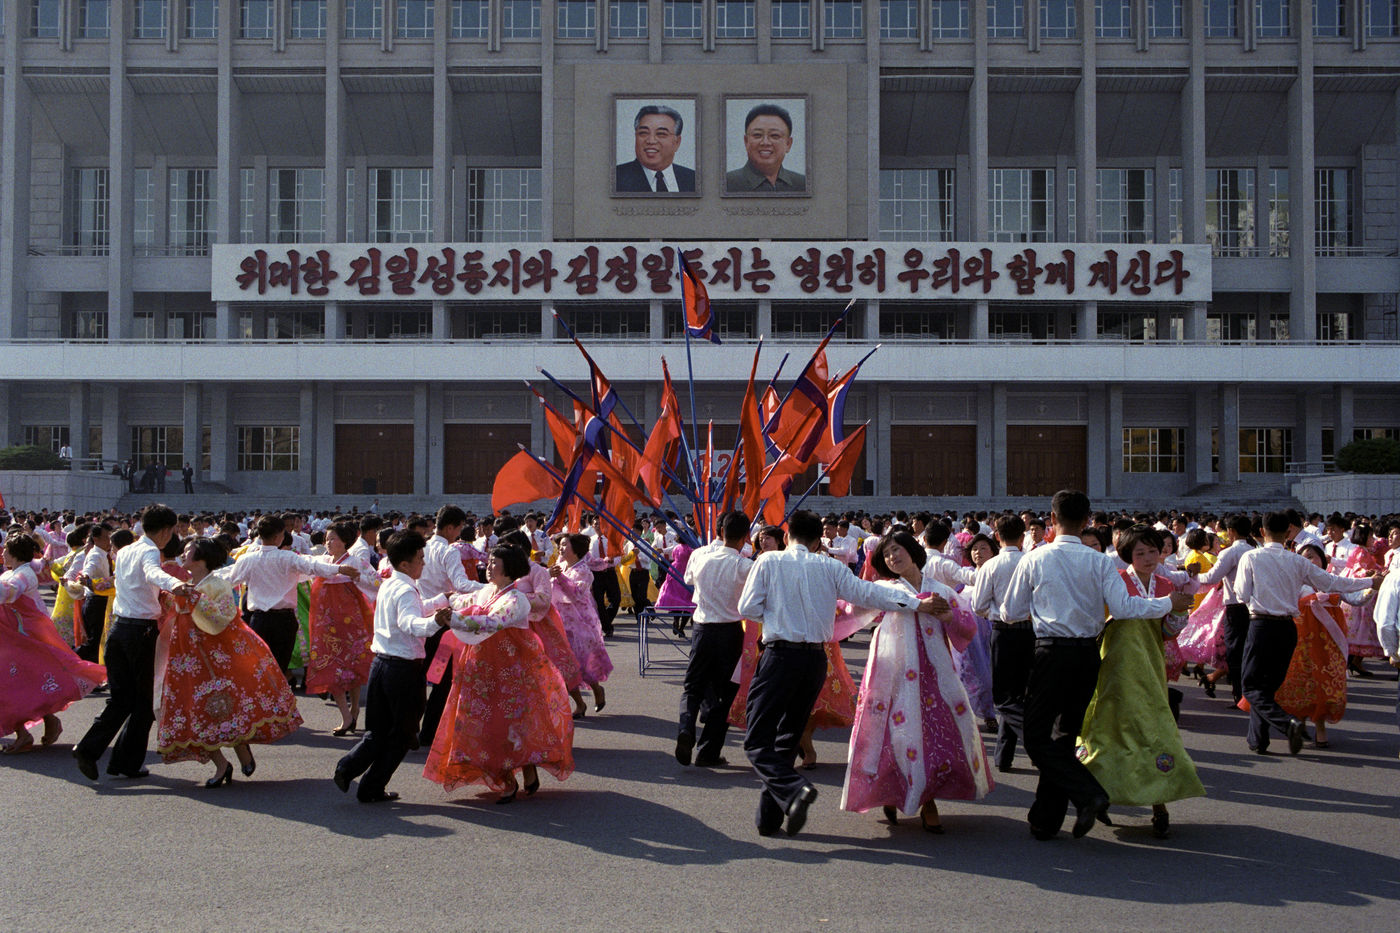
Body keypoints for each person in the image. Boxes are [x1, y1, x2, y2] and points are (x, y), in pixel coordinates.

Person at [735, 510, 950, 838]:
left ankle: (792, 787)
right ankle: (771, 817)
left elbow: (747, 608)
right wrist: (915, 602)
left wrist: (779, 611)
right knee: (788, 737)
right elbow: (870, 593)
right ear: (817, 541)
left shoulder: (768, 562)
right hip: (814, 660)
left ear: (788, 536)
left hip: (780, 656)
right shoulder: (831, 567)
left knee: (757, 739)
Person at [1001, 491, 1192, 841]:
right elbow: (1124, 608)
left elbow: (1010, 612)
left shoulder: (1036, 558)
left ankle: (1087, 794)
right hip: (1088, 654)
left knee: (1037, 736)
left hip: (1051, 651)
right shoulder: (1100, 561)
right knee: (1063, 736)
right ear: (1087, 520)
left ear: (1052, 520)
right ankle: (1045, 820)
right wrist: (1168, 602)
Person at [839, 531, 992, 832]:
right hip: (891, 673)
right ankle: (892, 790)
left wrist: (948, 617)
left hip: (934, 676)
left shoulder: (941, 591)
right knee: (894, 733)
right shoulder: (884, 589)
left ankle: (927, 799)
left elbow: (967, 626)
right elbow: (851, 608)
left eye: (897, 550)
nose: (892, 557)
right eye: (886, 554)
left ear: (912, 551)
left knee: (933, 734)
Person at [1077, 525, 1205, 840]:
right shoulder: (1116, 580)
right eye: (1140, 553)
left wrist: (1179, 612)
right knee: (1111, 728)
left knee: (1153, 727)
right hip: (1116, 665)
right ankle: (1101, 793)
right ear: (1127, 555)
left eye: (1153, 551)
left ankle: (1159, 803)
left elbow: (1169, 632)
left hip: (1149, 664)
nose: (1148, 558)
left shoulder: (1166, 584)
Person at [424, 545, 575, 803]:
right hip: (480, 669)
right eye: (490, 561)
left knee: (506, 723)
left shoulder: (517, 600)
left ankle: (510, 777)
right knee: (482, 721)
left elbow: (493, 622)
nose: (489, 566)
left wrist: (455, 620)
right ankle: (519, 771)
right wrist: (440, 604)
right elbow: (461, 600)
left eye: (495, 562)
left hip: (510, 672)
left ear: (510, 567)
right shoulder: (486, 591)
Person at [155, 537, 302, 786]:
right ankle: (222, 764)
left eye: (189, 550)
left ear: (202, 557)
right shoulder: (185, 585)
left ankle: (240, 749)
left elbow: (224, 617)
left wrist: (195, 599)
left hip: (214, 657)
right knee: (192, 709)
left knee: (224, 705)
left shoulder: (217, 584)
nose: (183, 553)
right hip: (186, 658)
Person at [1235, 511, 1374, 755]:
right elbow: (1332, 582)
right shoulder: (1297, 561)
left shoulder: (1252, 557)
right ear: (1288, 532)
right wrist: (1369, 582)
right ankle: (1258, 739)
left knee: (1252, 686)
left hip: (1262, 625)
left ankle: (1288, 724)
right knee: (1267, 688)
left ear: (1262, 532)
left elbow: (1242, 594)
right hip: (1288, 628)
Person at [74, 505, 194, 781]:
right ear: (165, 531)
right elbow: (153, 573)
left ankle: (89, 749)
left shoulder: (125, 550)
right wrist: (174, 585)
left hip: (119, 629)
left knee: (122, 698)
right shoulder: (150, 551)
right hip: (141, 632)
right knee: (144, 702)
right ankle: (125, 762)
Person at [333, 531, 454, 804]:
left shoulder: (390, 584)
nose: (424, 563)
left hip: (381, 665)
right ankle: (369, 784)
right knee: (403, 734)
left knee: (378, 730)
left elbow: (413, 610)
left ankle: (348, 768)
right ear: (405, 564)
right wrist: (436, 621)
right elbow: (411, 623)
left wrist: (440, 601)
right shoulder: (406, 589)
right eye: (420, 558)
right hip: (403, 669)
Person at [1, 534, 106, 754]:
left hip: (26, 640)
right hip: (17, 641)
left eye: (6, 550)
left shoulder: (23, 574)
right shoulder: (15, 572)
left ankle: (23, 733)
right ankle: (46, 722)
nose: (3, 553)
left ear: (15, 553)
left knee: (13, 685)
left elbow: (9, 593)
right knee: (27, 682)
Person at [226, 515, 354, 675]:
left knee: (260, 668)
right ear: (278, 537)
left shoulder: (247, 559)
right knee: (280, 667)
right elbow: (312, 566)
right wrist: (338, 569)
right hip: (283, 621)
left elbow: (228, 578)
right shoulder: (287, 557)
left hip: (259, 619)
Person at [675, 510, 753, 768]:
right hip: (730, 632)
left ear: (721, 532)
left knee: (692, 686)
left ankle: (686, 728)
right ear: (745, 537)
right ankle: (708, 751)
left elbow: (688, 579)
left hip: (702, 628)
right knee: (726, 693)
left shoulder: (700, 555)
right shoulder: (744, 566)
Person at [1275, 544, 1365, 748]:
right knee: (1301, 680)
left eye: (1312, 556)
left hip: (1327, 643)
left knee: (1324, 682)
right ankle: (1300, 722)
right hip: (1301, 641)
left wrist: (1372, 587)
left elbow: (1356, 599)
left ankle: (1321, 726)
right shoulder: (1294, 583)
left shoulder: (1331, 581)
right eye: (1303, 557)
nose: (1308, 561)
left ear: (1322, 560)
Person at [307, 520, 376, 736]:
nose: (328, 543)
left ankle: (354, 710)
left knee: (353, 666)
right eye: (327, 539)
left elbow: (376, 583)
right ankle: (346, 715)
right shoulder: (323, 561)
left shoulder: (356, 561)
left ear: (345, 541)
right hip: (327, 624)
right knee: (331, 667)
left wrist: (359, 577)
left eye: (333, 539)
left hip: (350, 623)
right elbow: (303, 569)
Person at [972, 514, 1029, 772]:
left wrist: (994, 611)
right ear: (1022, 536)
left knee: (1005, 697)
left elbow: (978, 605)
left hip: (1003, 631)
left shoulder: (991, 566)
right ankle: (1003, 756)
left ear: (996, 536)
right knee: (1019, 693)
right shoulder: (1032, 561)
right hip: (1031, 631)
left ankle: (1034, 739)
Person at [549, 532, 612, 716]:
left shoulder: (583, 570)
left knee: (583, 663)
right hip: (559, 621)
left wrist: (559, 578)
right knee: (563, 665)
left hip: (580, 623)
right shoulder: (560, 565)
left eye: (564, 545)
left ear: (575, 549)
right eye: (560, 545)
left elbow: (576, 594)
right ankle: (579, 703)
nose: (560, 548)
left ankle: (597, 689)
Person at [725, 103, 806, 193]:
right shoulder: (726, 183)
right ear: (746, 141)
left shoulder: (803, 185)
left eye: (774, 135)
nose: (765, 142)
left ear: (788, 144)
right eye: (757, 135)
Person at [615, 104, 697, 193]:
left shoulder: (694, 179)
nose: (651, 141)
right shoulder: (615, 178)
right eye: (643, 133)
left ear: (677, 142)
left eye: (661, 134)